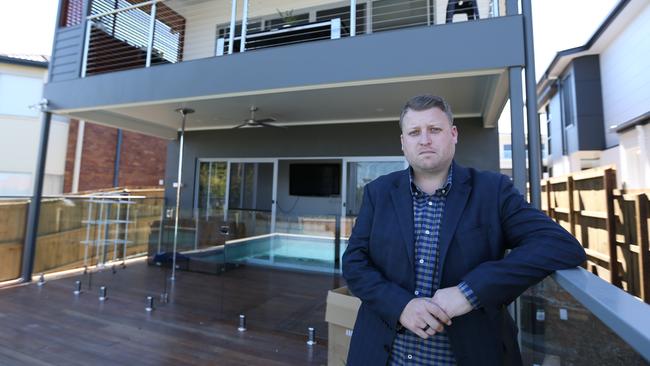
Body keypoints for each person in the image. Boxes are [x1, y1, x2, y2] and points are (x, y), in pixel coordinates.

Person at [342, 94, 586, 366]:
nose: (425, 139)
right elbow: (354, 262)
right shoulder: (379, 192)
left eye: (434, 129)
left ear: (453, 134)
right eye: (414, 132)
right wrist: (400, 306)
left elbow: (560, 245)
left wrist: (469, 292)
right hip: (380, 355)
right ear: (403, 142)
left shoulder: (493, 191)